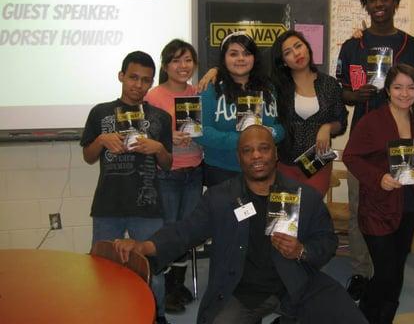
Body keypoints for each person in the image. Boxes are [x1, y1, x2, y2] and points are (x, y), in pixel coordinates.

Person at [113, 125, 368, 324]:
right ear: (239, 157)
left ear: (275, 153)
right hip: (241, 289)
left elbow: (326, 240)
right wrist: (145, 246)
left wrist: (301, 250)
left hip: (294, 282)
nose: (256, 155)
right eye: (247, 150)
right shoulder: (220, 198)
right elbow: (185, 232)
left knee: (347, 317)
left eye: (264, 148)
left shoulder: (304, 195)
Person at [335, 0, 414, 300]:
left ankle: (390, 270)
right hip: (366, 138)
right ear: (366, 5)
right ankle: (361, 271)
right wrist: (355, 95)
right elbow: (340, 90)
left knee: (399, 205)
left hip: (403, 139)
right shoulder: (352, 46)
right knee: (362, 208)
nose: (379, 3)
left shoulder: (413, 46)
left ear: (396, 2)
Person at [80, 51, 173, 324]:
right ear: (121, 76)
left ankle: (158, 315)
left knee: (153, 269)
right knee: (103, 267)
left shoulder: (160, 118)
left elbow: (167, 164)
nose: (138, 85)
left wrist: (158, 149)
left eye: (146, 80)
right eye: (133, 77)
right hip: (108, 204)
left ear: (152, 82)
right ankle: (107, 314)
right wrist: (101, 140)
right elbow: (88, 156)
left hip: (148, 204)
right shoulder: (100, 112)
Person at [343, 64, 414, 324]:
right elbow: (350, 156)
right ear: (388, 90)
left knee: (396, 268)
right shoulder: (372, 121)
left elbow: (411, 162)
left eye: (411, 87)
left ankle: (385, 316)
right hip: (377, 207)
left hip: (408, 205)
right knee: (386, 270)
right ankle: (366, 315)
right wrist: (378, 178)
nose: (405, 93)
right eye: (398, 87)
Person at [144, 39, 203, 313]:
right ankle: (166, 290)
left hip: (195, 170)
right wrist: (168, 137)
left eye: (188, 60)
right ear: (166, 65)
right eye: (176, 60)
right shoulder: (153, 96)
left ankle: (178, 286)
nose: (183, 66)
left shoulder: (199, 92)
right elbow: (143, 136)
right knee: (168, 230)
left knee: (186, 230)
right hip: (167, 173)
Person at [196, 32, 284, 187]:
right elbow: (199, 132)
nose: (241, 58)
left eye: (247, 53)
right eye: (233, 54)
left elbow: (282, 126)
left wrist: (271, 133)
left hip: (263, 170)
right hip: (221, 171)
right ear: (224, 58)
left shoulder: (269, 88)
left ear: (254, 57)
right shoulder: (209, 89)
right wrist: (244, 141)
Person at [270, 30, 348, 196]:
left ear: (307, 48)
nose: (296, 53)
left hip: (318, 159)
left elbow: (341, 122)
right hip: (284, 162)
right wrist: (215, 71)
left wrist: (327, 127)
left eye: (298, 46)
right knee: (286, 217)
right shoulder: (277, 87)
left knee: (310, 208)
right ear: (283, 61)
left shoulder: (329, 84)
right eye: (287, 52)